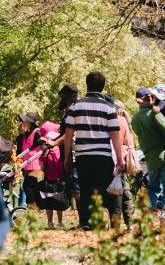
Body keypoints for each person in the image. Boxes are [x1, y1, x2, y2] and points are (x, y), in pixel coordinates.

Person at [62, 71, 125, 230]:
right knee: (105, 190)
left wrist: (67, 157)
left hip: (83, 156)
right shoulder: (109, 107)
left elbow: (68, 135)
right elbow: (115, 135)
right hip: (103, 155)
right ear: (102, 87)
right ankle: (110, 223)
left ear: (87, 84)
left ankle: (86, 223)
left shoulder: (76, 106)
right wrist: (119, 159)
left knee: (85, 189)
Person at [132, 86, 165, 218]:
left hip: (150, 157)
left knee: (153, 188)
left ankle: (149, 214)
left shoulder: (135, 118)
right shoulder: (154, 114)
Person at [36, 87, 71, 228]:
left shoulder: (46, 153)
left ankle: (50, 222)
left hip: (48, 180)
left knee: (49, 202)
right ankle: (60, 222)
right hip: (58, 180)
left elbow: (42, 167)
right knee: (59, 201)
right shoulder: (58, 152)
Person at [14, 112, 41, 211]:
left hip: (35, 165)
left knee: (27, 186)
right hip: (26, 165)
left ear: (30, 122)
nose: (22, 122)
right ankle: (36, 207)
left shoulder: (37, 132)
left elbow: (42, 146)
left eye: (24, 120)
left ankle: (33, 207)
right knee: (32, 187)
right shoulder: (26, 134)